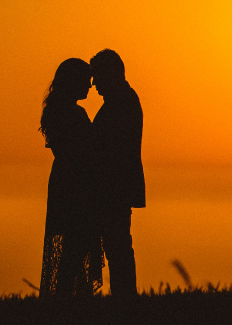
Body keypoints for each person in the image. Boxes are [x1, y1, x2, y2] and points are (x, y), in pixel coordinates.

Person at [39, 57, 103, 297]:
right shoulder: (74, 113)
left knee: (72, 247)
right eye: (86, 81)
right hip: (77, 185)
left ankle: (68, 298)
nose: (89, 86)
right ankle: (68, 300)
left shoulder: (57, 110)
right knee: (75, 246)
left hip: (63, 182)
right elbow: (86, 151)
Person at [89, 48, 145, 297]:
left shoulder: (121, 102)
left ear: (110, 74)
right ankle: (124, 299)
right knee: (118, 245)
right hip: (115, 186)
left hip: (115, 187)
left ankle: (125, 300)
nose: (94, 84)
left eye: (98, 77)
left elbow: (110, 147)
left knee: (118, 245)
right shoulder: (121, 100)